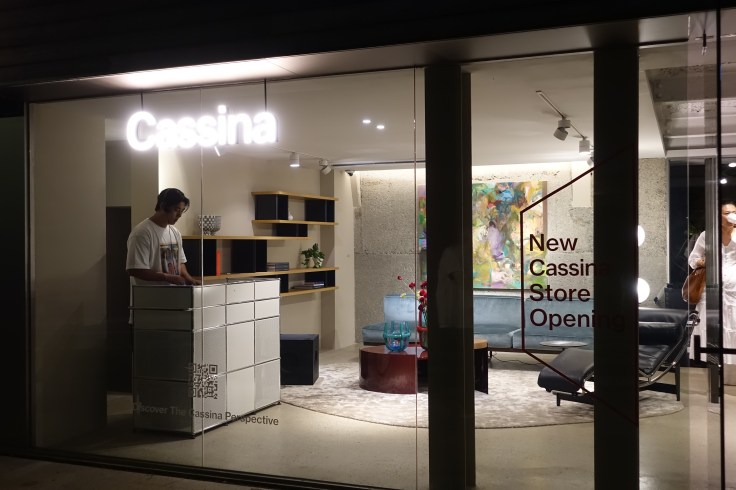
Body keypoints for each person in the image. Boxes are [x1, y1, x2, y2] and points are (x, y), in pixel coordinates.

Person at [688, 200, 736, 386]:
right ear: (718, 216)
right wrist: (704, 261)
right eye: (726, 213)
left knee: (733, 327)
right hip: (711, 291)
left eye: (733, 212)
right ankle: (715, 372)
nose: (731, 215)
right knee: (712, 330)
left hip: (734, 292)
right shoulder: (707, 235)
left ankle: (732, 374)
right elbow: (693, 260)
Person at [126, 188, 201, 301]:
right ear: (163, 206)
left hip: (174, 299)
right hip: (149, 301)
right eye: (177, 209)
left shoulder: (175, 232)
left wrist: (190, 279)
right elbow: (135, 269)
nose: (180, 215)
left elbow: (180, 263)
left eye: (182, 210)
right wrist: (167, 277)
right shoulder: (142, 232)